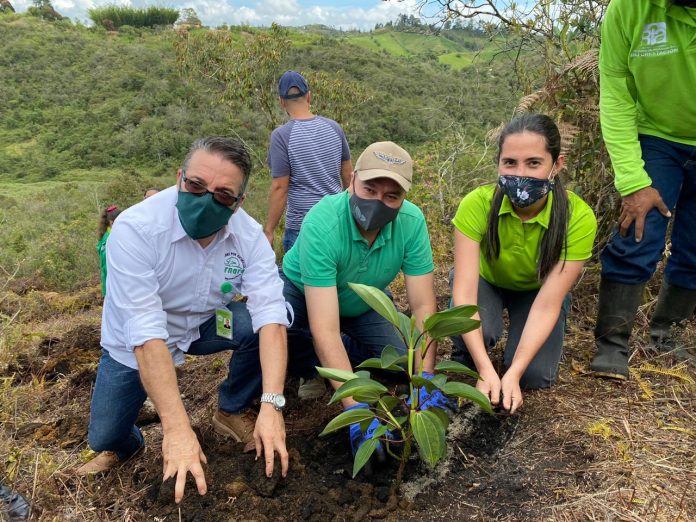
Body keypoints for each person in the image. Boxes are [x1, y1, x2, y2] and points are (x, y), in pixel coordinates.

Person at [77, 137, 290, 504]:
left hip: (204, 324)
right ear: (179, 178)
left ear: (239, 202)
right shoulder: (137, 228)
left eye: (223, 195)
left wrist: (272, 404)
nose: (206, 200)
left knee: (257, 326)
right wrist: (176, 428)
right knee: (105, 436)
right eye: (196, 186)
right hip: (136, 343)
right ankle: (128, 440)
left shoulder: (248, 237)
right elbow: (145, 332)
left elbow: (271, 313)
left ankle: (232, 409)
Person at [281, 141, 450, 457]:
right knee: (281, 334)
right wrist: (355, 408)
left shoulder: (411, 223)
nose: (377, 202)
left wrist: (425, 378)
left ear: (403, 198)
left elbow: (424, 306)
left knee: (402, 363)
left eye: (391, 196)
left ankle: (341, 356)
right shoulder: (323, 222)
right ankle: (313, 366)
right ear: (352, 180)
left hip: (362, 301)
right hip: (303, 293)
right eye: (370, 189)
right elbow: (325, 327)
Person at [450, 114, 597, 414]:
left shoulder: (578, 218)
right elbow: (464, 294)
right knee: (479, 332)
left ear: (557, 165)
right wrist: (485, 368)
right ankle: (468, 352)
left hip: (538, 292)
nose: (520, 174)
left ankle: (514, 363)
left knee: (534, 376)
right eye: (510, 163)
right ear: (498, 163)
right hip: (485, 283)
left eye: (533, 163)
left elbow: (547, 304)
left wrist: (514, 373)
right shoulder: (477, 204)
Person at [591, 0, 696, 379]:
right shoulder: (629, 9)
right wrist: (634, 183)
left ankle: (667, 335)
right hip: (656, 136)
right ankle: (611, 343)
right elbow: (616, 93)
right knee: (638, 231)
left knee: (694, 245)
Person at [264, 70, 353, 253]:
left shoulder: (281, 136)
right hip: (335, 223)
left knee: (300, 272)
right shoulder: (334, 127)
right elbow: (348, 175)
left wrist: (269, 231)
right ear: (309, 96)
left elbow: (280, 187)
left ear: (281, 102)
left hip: (301, 228)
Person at [96, 205, 121, 297]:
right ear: (111, 222)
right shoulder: (107, 240)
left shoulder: (110, 234)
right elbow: (106, 266)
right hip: (114, 285)